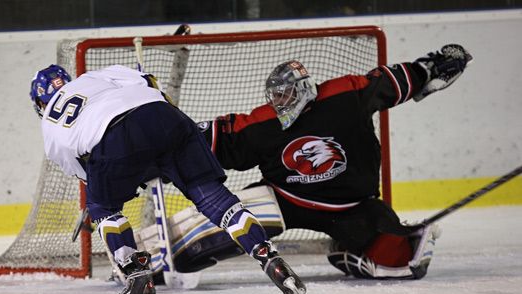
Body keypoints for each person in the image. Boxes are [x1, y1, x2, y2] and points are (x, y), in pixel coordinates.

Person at [28, 64, 307, 294]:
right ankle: (267, 255)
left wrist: (110, 193)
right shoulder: (95, 77)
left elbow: (90, 175)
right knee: (216, 201)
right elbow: (149, 82)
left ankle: (136, 272)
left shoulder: (50, 128)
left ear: (40, 103)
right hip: (166, 117)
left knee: (103, 208)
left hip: (114, 139)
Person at [190, 44, 472, 279]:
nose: (279, 101)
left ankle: (348, 253)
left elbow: (388, 82)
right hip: (284, 199)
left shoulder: (343, 96)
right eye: (275, 95)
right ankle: (169, 261)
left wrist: (429, 68)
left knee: (401, 261)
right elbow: (221, 140)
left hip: (350, 207)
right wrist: (176, 146)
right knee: (228, 223)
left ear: (303, 89)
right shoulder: (266, 121)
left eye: (284, 94)